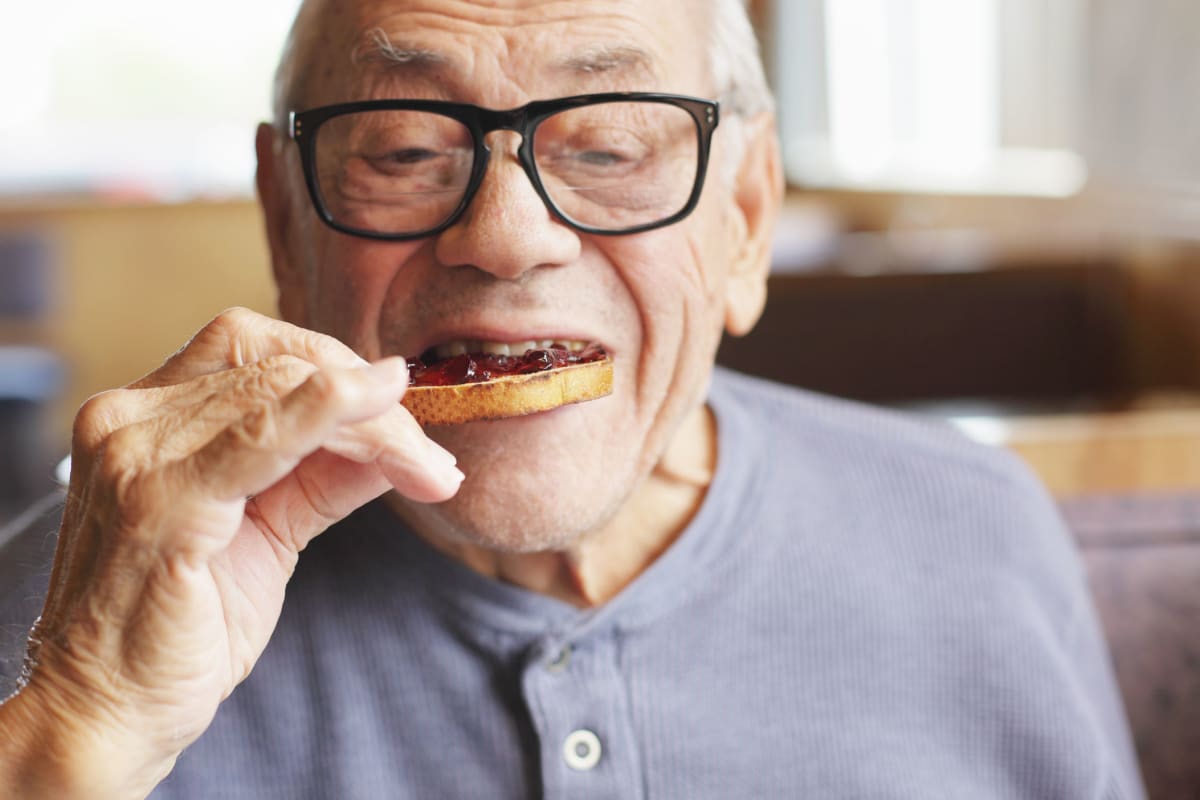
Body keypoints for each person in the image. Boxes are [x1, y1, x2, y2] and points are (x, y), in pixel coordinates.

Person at [0, 0, 1145, 797]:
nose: (505, 236)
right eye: (402, 150)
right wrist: (73, 736)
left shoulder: (978, 536)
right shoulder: (75, 607)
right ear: (283, 222)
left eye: (606, 147)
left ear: (745, 218)